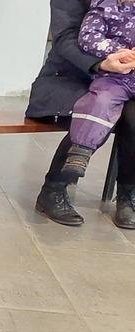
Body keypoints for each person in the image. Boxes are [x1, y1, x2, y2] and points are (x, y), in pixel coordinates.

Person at [29, 0, 135, 229]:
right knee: (95, 108)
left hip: (127, 76)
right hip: (74, 75)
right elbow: (65, 37)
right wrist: (103, 62)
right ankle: (54, 189)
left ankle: (128, 195)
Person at [60, 0, 135, 180]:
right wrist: (118, 51)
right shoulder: (105, 7)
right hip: (116, 76)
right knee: (100, 100)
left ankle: (128, 189)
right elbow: (88, 36)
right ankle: (81, 149)